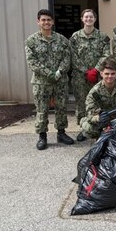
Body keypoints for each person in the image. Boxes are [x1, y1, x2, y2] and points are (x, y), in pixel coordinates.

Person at [25, 9, 74, 150]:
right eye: (43, 20)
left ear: (53, 21)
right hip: (41, 82)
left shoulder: (62, 39)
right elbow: (32, 62)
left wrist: (59, 72)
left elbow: (67, 58)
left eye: (49, 20)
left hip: (60, 80)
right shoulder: (31, 41)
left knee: (61, 107)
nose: (46, 22)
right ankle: (42, 136)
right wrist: (49, 73)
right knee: (42, 109)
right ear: (38, 22)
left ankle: (61, 133)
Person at [69, 9, 111, 141]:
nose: (88, 19)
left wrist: (96, 69)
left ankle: (100, 128)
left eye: (91, 17)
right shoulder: (75, 37)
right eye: (86, 17)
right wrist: (85, 71)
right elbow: (72, 56)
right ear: (82, 19)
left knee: (99, 102)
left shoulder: (103, 37)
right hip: (80, 76)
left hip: (98, 76)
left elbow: (106, 54)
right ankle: (84, 129)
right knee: (82, 102)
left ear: (95, 19)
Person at [80, 58, 116, 139]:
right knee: (88, 128)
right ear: (101, 74)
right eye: (107, 74)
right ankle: (103, 136)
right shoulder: (94, 92)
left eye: (112, 73)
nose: (110, 76)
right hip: (105, 120)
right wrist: (98, 118)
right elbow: (90, 113)